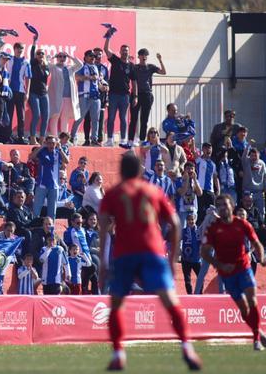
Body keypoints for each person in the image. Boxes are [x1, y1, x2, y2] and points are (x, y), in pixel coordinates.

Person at [98, 153, 201, 371]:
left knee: (116, 305)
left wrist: (103, 264)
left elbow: (103, 230)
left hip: (125, 254)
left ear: (121, 171)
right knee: (170, 302)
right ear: (139, 172)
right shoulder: (153, 191)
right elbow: (174, 222)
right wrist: (172, 259)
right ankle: (187, 347)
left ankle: (118, 353)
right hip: (152, 252)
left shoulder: (113, 194)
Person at [201, 194, 266, 350]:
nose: (222, 208)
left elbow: (256, 243)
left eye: (224, 204)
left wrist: (262, 257)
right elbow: (204, 252)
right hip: (227, 274)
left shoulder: (242, 224)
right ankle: (258, 330)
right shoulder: (213, 228)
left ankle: (256, 340)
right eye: (218, 205)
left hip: (244, 267)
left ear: (231, 206)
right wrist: (219, 265)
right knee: (243, 308)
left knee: (252, 300)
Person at [127, 49, 166, 146]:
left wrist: (160, 60)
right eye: (142, 55)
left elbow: (163, 72)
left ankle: (141, 140)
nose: (144, 57)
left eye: (146, 55)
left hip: (147, 95)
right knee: (134, 119)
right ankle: (131, 140)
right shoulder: (135, 67)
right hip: (136, 94)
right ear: (138, 56)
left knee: (144, 119)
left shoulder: (150, 67)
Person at [102, 38, 134, 147]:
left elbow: (134, 82)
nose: (125, 52)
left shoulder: (131, 66)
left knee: (123, 118)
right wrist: (108, 37)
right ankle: (110, 139)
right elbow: (106, 49)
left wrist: (136, 96)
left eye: (126, 50)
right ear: (120, 52)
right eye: (123, 50)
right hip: (113, 94)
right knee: (111, 117)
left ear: (129, 52)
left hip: (125, 95)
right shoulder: (115, 60)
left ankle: (123, 139)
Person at [30, 135, 69, 220]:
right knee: (36, 210)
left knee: (52, 212)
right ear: (46, 143)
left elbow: (66, 161)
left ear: (56, 144)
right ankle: (34, 228)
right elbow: (31, 157)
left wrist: (60, 149)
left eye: (53, 143)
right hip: (42, 185)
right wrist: (42, 146)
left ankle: (50, 231)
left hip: (54, 186)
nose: (51, 145)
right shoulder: (42, 152)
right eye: (49, 143)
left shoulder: (58, 152)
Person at [71, 50, 105, 146]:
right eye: (90, 56)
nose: (93, 58)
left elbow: (97, 82)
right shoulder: (82, 66)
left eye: (94, 56)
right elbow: (77, 77)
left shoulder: (95, 67)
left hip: (95, 96)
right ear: (85, 57)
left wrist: (102, 87)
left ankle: (94, 139)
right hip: (84, 96)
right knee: (80, 118)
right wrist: (89, 77)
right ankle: (72, 137)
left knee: (95, 119)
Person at [47, 51, 83, 138]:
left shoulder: (70, 68)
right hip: (56, 96)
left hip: (68, 97)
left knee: (65, 118)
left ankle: (64, 139)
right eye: (60, 56)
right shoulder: (53, 67)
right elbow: (46, 63)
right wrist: (53, 56)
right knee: (55, 116)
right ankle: (54, 138)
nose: (62, 58)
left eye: (64, 57)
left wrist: (70, 56)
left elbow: (80, 64)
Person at [27, 35, 50, 145]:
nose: (40, 55)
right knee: (37, 114)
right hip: (33, 93)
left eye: (42, 54)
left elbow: (45, 80)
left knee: (46, 116)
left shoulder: (46, 66)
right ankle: (32, 138)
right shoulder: (33, 63)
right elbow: (31, 53)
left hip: (44, 93)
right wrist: (34, 42)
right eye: (38, 53)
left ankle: (42, 138)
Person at [7, 41, 32, 143]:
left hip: (21, 91)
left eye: (21, 48)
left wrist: (27, 92)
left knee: (21, 115)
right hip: (9, 90)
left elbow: (28, 77)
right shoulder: (9, 59)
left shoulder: (26, 62)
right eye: (18, 48)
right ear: (14, 49)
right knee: (9, 114)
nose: (20, 50)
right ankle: (7, 136)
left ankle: (21, 136)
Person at [194, 143, 219, 221]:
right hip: (200, 190)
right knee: (200, 211)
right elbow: (193, 152)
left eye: (210, 149)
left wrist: (218, 190)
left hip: (210, 191)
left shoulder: (213, 164)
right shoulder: (199, 160)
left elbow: (215, 177)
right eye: (207, 148)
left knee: (211, 212)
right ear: (203, 150)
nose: (209, 150)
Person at [180, 213, 201, 294]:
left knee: (200, 279)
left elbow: (203, 242)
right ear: (186, 221)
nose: (191, 221)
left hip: (197, 259)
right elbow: (176, 240)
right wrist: (179, 248)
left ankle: (199, 294)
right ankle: (190, 296)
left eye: (192, 219)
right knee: (187, 280)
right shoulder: (184, 231)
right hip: (186, 259)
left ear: (195, 220)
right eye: (189, 220)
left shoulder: (199, 230)